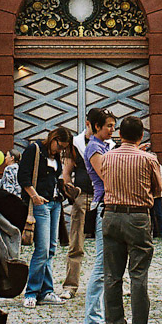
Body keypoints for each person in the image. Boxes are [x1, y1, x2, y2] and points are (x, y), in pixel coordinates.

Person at [101, 116, 162, 324]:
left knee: (111, 275)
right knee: (138, 274)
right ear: (141, 136)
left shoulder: (107, 157)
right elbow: (159, 190)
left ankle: (115, 323)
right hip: (137, 216)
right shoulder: (148, 159)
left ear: (120, 134)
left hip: (110, 215)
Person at [18, 127, 73, 308]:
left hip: (55, 203)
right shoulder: (34, 150)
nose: (60, 150)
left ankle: (47, 291)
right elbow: (23, 177)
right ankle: (32, 292)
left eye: (64, 148)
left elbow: (56, 178)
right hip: (40, 203)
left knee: (50, 249)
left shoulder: (55, 157)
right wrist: (34, 196)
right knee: (41, 249)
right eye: (60, 146)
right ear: (53, 139)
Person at [60, 109, 112, 299]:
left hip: (102, 197)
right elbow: (67, 171)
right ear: (89, 123)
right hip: (82, 196)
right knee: (76, 243)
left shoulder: (109, 144)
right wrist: (70, 191)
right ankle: (70, 286)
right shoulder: (75, 143)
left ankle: (111, 283)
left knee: (107, 243)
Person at [83, 107, 117, 324]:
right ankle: (93, 319)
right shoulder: (94, 148)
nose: (112, 130)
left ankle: (102, 316)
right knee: (102, 264)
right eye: (109, 126)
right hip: (103, 204)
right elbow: (106, 175)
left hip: (110, 204)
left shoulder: (104, 146)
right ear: (97, 127)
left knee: (109, 264)